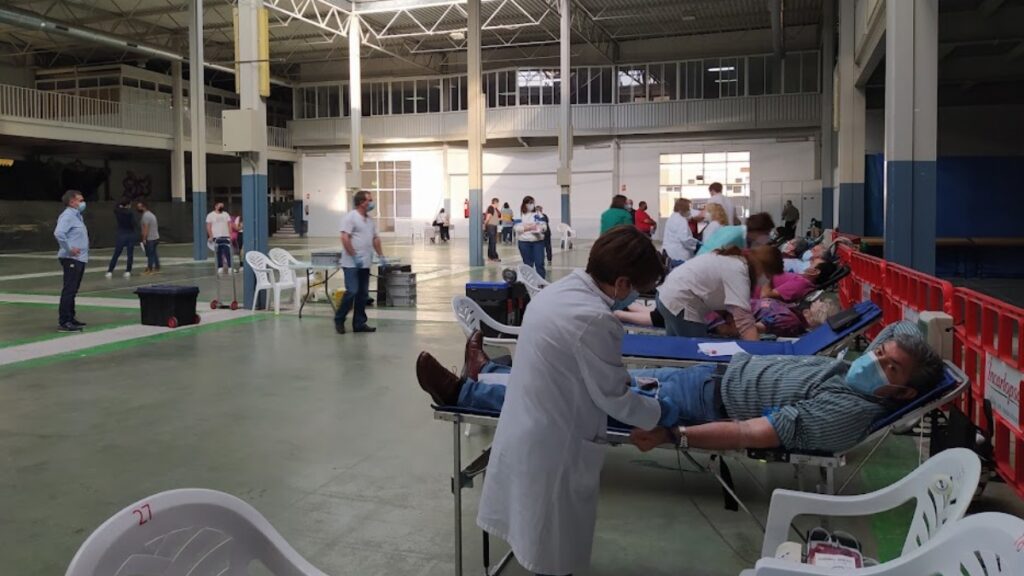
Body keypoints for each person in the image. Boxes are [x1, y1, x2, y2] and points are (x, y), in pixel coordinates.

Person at [417, 226, 671, 576]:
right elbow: (614, 399)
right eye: (640, 291)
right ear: (623, 284)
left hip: (531, 424)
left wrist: (625, 383)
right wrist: (662, 415)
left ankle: (473, 379)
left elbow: (583, 369)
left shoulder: (561, 290)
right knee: (552, 548)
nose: (636, 299)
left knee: (539, 536)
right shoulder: (596, 319)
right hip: (555, 445)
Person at [418, 320, 944, 457]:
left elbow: (751, 433)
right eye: (880, 352)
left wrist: (675, 437)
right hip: (706, 378)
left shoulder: (845, 414)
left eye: (891, 369)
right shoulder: (850, 371)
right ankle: (491, 373)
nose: (875, 363)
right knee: (589, 382)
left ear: (900, 395)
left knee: (577, 401)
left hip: (696, 406)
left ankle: (463, 395)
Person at [656, 245, 784, 339]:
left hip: (667, 295)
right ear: (763, 268)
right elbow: (745, 322)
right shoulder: (739, 271)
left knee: (675, 350)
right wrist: (758, 357)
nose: (767, 281)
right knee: (696, 357)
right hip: (680, 304)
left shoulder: (732, 260)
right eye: (769, 275)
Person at [335, 190, 386, 335]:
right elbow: (345, 238)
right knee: (352, 291)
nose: (371, 202)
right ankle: (339, 318)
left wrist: (381, 255)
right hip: (351, 263)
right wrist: (353, 255)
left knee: (362, 294)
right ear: (361, 202)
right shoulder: (351, 217)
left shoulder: (369, 220)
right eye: (369, 200)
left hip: (365, 263)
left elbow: (375, 238)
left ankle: (359, 323)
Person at [707, 297, 841, 338]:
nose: (813, 302)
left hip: (714, 319)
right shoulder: (791, 312)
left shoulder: (789, 321)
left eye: (815, 304)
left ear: (808, 314)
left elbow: (746, 329)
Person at [54, 190, 89, 332]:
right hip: (71, 258)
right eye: (80, 200)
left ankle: (71, 317)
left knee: (73, 289)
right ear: (72, 201)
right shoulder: (68, 216)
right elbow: (59, 233)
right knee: (69, 289)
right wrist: (69, 249)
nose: (83, 203)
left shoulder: (77, 216)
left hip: (79, 258)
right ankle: (64, 321)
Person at [697, 212, 775, 255]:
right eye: (766, 233)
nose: (767, 237)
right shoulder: (733, 235)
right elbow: (715, 253)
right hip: (704, 263)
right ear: (757, 231)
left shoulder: (745, 237)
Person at [762, 261, 838, 303]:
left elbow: (766, 295)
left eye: (812, 263)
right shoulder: (802, 279)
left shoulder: (801, 284)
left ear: (815, 271)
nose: (809, 264)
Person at [514, 195, 548, 279]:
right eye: (529, 203)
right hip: (524, 242)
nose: (531, 205)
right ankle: (529, 282)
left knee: (539, 263)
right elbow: (516, 228)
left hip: (538, 242)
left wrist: (540, 229)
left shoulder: (538, 214)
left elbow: (544, 226)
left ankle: (541, 283)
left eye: (532, 203)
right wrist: (529, 228)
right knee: (528, 264)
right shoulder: (519, 214)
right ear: (524, 204)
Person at [105, 197, 137, 279]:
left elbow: (115, 207)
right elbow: (134, 223)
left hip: (121, 234)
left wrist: (121, 204)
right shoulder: (130, 213)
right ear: (128, 204)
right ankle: (128, 271)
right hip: (130, 234)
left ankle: (110, 271)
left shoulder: (118, 212)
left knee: (116, 254)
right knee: (130, 254)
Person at [206, 200, 233, 274]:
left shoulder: (226, 214)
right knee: (218, 252)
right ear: (216, 206)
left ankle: (230, 267)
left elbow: (229, 224)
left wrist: (230, 234)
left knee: (227, 251)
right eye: (220, 206)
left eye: (222, 206)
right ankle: (220, 267)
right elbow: (208, 226)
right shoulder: (210, 215)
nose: (222, 207)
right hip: (216, 236)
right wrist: (211, 236)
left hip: (225, 236)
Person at [137, 201, 160, 275]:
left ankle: (149, 269)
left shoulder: (146, 216)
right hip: (156, 237)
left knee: (150, 254)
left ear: (144, 207)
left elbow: (146, 228)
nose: (138, 208)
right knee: (154, 253)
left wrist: (144, 238)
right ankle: (157, 267)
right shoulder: (151, 214)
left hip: (150, 239)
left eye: (139, 207)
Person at [485, 197, 500, 262]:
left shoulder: (494, 209)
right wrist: (485, 225)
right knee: (493, 242)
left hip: (493, 226)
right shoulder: (491, 208)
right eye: (497, 203)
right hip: (491, 227)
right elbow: (488, 217)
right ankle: (493, 257)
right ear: (495, 202)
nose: (498, 205)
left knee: (492, 242)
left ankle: (491, 256)